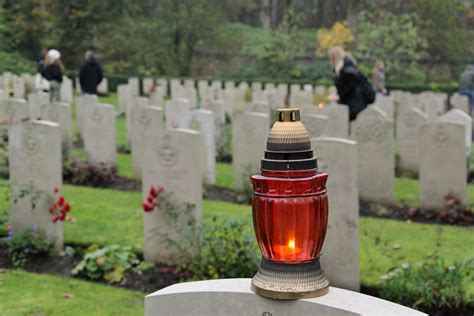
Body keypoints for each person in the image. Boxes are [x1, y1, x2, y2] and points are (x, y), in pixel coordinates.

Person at [328, 46, 373, 121]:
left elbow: (350, 88)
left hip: (353, 105)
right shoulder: (347, 67)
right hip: (353, 104)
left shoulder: (348, 71)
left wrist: (339, 96)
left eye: (332, 59)